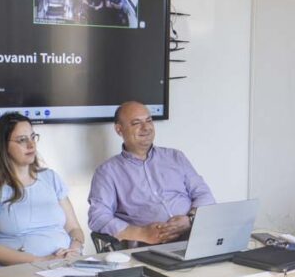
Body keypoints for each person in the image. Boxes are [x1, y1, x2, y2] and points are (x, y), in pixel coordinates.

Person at [88, 101, 215, 245]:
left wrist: (190, 219)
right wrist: (141, 233)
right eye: (136, 123)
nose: (146, 127)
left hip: (193, 233)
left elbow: (204, 194)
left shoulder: (175, 157)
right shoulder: (107, 172)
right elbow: (98, 217)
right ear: (119, 130)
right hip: (148, 246)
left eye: (149, 121)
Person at [0, 113, 85, 266]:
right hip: (22, 271)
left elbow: (74, 228)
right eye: (22, 140)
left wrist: (75, 248)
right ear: (3, 146)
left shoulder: (51, 178)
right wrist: (40, 260)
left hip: (66, 264)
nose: (31, 145)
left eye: (33, 137)